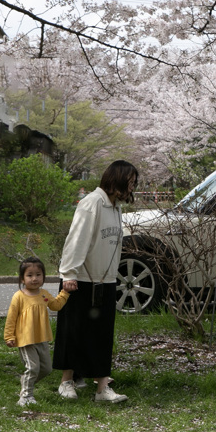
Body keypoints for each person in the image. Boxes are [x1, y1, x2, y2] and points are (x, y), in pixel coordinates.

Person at [54, 160, 139, 403]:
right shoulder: (92, 203)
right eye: (130, 182)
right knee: (73, 331)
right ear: (117, 180)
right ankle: (66, 382)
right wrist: (68, 274)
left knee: (102, 334)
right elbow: (76, 239)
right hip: (80, 279)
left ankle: (102, 389)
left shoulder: (115, 207)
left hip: (106, 280)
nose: (132, 187)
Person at [4, 257, 69, 406]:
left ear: (43, 276)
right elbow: (11, 318)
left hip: (41, 338)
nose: (34, 278)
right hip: (25, 340)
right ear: (22, 278)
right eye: (30, 275)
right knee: (33, 367)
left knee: (46, 368)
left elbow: (56, 305)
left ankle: (26, 383)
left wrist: (65, 293)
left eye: (38, 275)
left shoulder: (44, 295)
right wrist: (9, 336)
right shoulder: (19, 296)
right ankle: (26, 396)